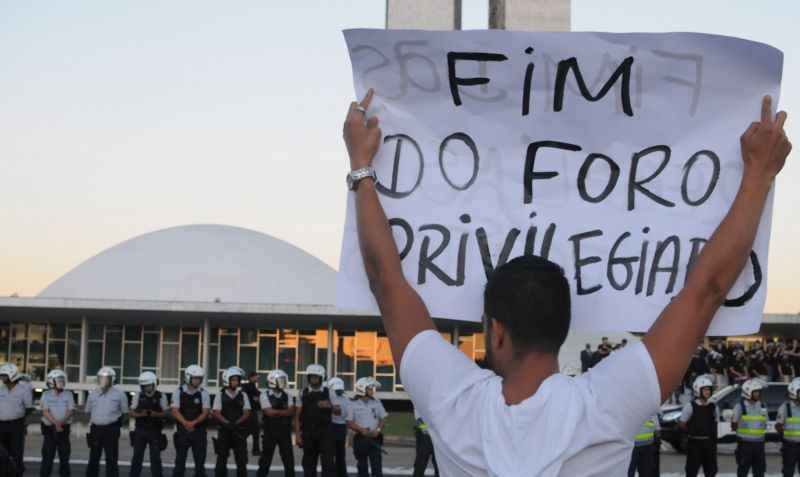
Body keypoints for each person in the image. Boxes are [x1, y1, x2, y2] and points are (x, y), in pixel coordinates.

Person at [342, 89, 791, 475]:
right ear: (560, 327)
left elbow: (387, 281)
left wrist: (361, 165)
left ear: (496, 331)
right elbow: (705, 290)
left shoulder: (452, 401)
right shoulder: (605, 405)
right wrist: (758, 175)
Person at [86, 366, 129, 477]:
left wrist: (116, 426)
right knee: (93, 458)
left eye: (106, 378)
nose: (103, 380)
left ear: (112, 379)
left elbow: (125, 414)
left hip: (111, 430)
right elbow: (88, 412)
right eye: (101, 378)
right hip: (96, 430)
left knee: (111, 459)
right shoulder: (93, 393)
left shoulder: (120, 394)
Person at [295, 364, 335, 477]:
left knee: (328, 464)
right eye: (311, 377)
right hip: (308, 434)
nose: (313, 379)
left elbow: (339, 411)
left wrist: (329, 406)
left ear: (322, 378)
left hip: (325, 433)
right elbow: (297, 416)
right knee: (308, 465)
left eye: (316, 377)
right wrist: (297, 435)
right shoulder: (302, 392)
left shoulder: (329, 392)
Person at [172, 364, 211, 477]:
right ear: (188, 377)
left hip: (199, 432)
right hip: (182, 432)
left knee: (200, 464)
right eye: (195, 378)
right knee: (179, 462)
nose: (197, 380)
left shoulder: (204, 393)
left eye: (199, 378)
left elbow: (205, 412)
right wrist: (185, 423)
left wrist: (193, 423)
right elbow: (175, 411)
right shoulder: (178, 392)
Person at [212, 366, 251, 477]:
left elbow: (247, 412)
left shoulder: (243, 395)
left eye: (237, 380)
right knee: (221, 460)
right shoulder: (220, 395)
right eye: (233, 380)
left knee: (241, 461)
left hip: (239, 432)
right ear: (227, 380)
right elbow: (216, 412)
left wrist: (237, 423)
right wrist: (227, 423)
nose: (236, 382)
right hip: (224, 432)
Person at [258, 369, 296, 477]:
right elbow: (268, 412)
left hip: (285, 432)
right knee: (265, 460)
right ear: (273, 381)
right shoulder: (264, 395)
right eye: (281, 380)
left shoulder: (287, 395)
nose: (283, 383)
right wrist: (284, 412)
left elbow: (291, 411)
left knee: (289, 460)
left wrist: (276, 412)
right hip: (270, 432)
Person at [130, 371, 168, 477]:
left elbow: (166, 413)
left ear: (154, 384)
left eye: (148, 385)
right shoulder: (137, 396)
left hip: (155, 430)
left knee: (155, 458)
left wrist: (155, 414)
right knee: (137, 457)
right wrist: (141, 415)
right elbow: (131, 412)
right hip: (140, 430)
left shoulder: (161, 396)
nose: (146, 388)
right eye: (144, 386)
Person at [347, 378, 387, 477]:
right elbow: (349, 422)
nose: (372, 390)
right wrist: (361, 430)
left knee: (377, 468)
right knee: (362, 468)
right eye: (370, 388)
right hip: (361, 439)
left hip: (375, 438)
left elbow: (383, 418)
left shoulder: (377, 402)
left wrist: (378, 430)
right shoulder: (352, 403)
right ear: (362, 389)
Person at [679, 375, 718, 477]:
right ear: (697, 390)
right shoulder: (690, 406)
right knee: (691, 471)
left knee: (711, 471)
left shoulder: (713, 406)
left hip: (709, 444)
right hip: (694, 444)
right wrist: (692, 432)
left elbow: (715, 422)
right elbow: (682, 423)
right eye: (705, 390)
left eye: (709, 390)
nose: (708, 392)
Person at [40, 369, 74, 477]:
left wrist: (61, 423)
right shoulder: (45, 394)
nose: (62, 382)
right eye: (59, 380)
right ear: (51, 381)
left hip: (63, 429)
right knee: (47, 457)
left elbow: (70, 411)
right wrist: (56, 423)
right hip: (49, 429)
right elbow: (45, 411)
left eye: (62, 380)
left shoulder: (68, 394)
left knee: (64, 458)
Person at [732, 378, 768, 477]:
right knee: (743, 471)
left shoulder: (763, 406)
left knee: (760, 472)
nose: (758, 394)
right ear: (748, 392)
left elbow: (764, 423)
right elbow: (733, 425)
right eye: (755, 392)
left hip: (759, 445)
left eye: (758, 392)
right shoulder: (739, 407)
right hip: (745, 445)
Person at [0, 363, 31, 476]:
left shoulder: (24, 389)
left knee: (16, 453)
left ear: (12, 375)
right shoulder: (1, 389)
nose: (2, 378)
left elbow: (28, 408)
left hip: (16, 425)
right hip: (1, 425)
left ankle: (17, 473)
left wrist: (22, 423)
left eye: (4, 375)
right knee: (2, 453)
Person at [777, 377, 800, 477]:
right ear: (794, 392)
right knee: (788, 472)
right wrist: (786, 437)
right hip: (790, 446)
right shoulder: (785, 407)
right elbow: (778, 425)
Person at [327, 377, 350, 477]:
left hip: (341, 427)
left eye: (340, 389)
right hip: (331, 426)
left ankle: (341, 474)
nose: (339, 391)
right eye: (338, 390)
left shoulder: (346, 399)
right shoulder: (328, 398)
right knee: (331, 454)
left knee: (340, 454)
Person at [413, 409, 438, 477]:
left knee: (438, 464)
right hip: (425, 435)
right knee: (420, 463)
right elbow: (418, 417)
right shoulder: (421, 400)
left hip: (437, 433)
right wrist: (426, 431)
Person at [242, 371, 262, 456]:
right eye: (256, 377)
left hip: (251, 411)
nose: (258, 378)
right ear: (251, 378)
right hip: (250, 412)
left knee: (253, 431)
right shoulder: (248, 387)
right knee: (252, 431)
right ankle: (255, 450)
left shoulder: (251, 386)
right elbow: (256, 396)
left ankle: (255, 450)